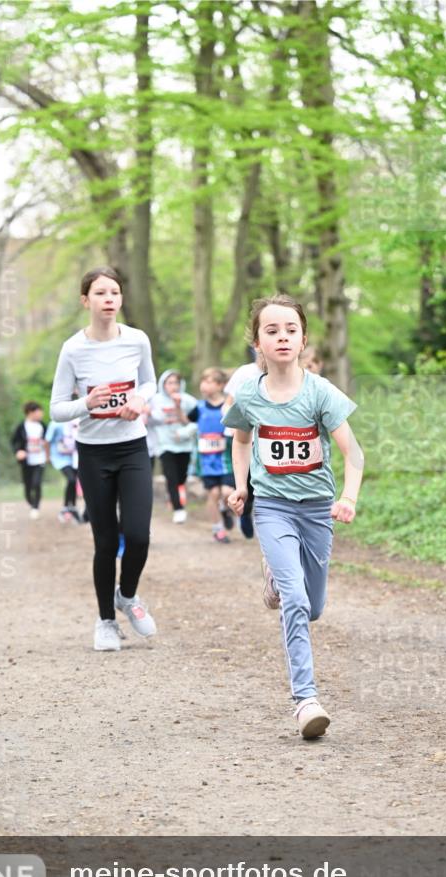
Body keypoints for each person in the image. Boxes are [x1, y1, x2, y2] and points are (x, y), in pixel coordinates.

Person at [223, 294, 364, 740]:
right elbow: (242, 441)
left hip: (318, 509)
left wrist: (349, 497)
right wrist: (242, 485)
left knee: (314, 606)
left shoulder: (321, 392)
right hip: (272, 508)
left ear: (303, 338)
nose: (282, 337)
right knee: (297, 602)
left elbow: (353, 453)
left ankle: (275, 578)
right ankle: (306, 700)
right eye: (272, 330)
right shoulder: (249, 394)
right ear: (257, 343)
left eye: (290, 330)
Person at [49, 265, 157, 651]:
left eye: (114, 292)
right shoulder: (73, 349)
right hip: (93, 454)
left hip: (132, 447)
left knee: (139, 535)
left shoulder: (137, 340)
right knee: (106, 541)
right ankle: (106, 622)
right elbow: (57, 408)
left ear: (121, 298)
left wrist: (141, 399)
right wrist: (86, 403)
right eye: (100, 293)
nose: (108, 299)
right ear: (85, 301)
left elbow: (149, 381)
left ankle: (127, 595)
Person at [187, 367, 235, 543]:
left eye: (209, 381)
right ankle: (218, 529)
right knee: (213, 493)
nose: (204, 385)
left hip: (226, 458)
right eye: (202, 381)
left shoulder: (229, 406)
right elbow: (186, 420)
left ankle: (225, 509)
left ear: (221, 385)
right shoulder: (198, 407)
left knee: (227, 492)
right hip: (206, 460)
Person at [223, 347, 263, 539]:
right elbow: (228, 402)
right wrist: (231, 423)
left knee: (259, 480)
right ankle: (246, 512)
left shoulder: (283, 374)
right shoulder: (245, 372)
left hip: (267, 438)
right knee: (245, 481)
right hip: (241, 434)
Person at [149, 369, 197, 523]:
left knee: (181, 478)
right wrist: (149, 414)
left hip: (184, 445)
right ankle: (178, 508)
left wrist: (184, 433)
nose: (173, 386)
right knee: (171, 477)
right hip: (165, 445)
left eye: (176, 382)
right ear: (163, 385)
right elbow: (151, 421)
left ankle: (174, 494)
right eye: (169, 383)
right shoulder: (155, 401)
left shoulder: (188, 401)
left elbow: (195, 423)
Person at [11, 402, 48, 519]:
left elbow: (49, 441)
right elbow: (14, 442)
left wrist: (49, 455)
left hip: (40, 459)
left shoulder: (43, 426)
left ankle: (35, 507)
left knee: (37, 483)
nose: (41, 414)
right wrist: (18, 451)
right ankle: (31, 502)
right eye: (39, 411)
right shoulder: (21, 427)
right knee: (28, 486)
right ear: (30, 413)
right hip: (26, 461)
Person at [45, 418, 84, 523]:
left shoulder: (75, 422)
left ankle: (73, 508)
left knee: (74, 481)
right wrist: (47, 456)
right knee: (71, 479)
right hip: (59, 458)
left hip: (74, 458)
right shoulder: (55, 424)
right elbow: (47, 440)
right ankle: (65, 508)